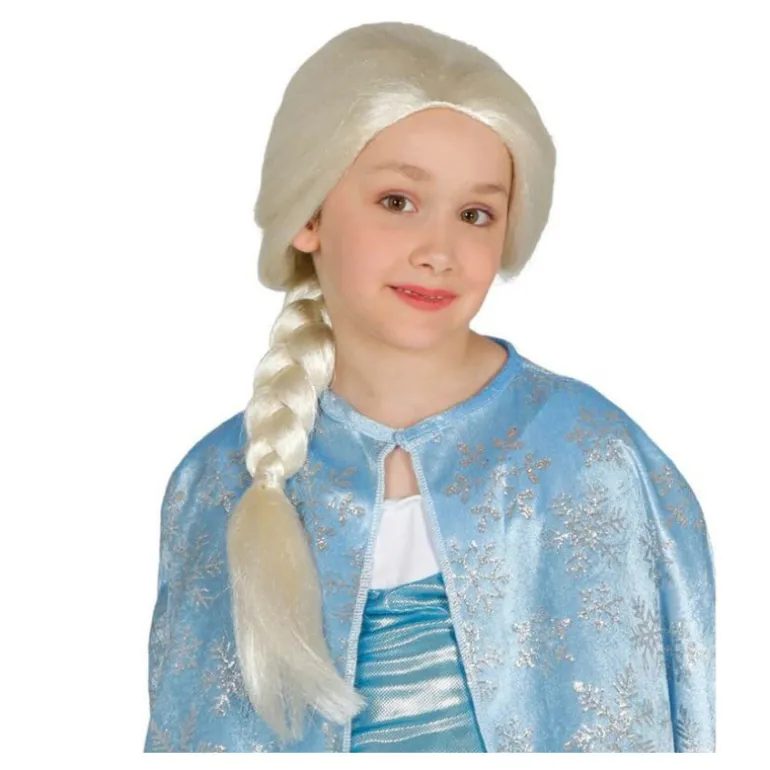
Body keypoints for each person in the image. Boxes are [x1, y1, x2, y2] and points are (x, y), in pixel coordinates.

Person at [143, 21, 715, 753]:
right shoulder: (219, 481)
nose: (439, 252)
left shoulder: (590, 459)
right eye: (397, 202)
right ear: (310, 214)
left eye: (475, 215)